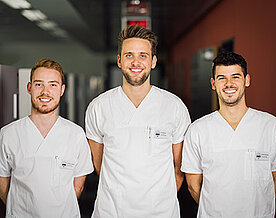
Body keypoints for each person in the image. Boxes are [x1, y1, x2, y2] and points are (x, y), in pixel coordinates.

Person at [85, 25, 191, 217]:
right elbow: (99, 163)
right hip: (111, 210)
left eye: (143, 55)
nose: (136, 62)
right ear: (119, 60)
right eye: (129, 55)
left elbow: (179, 168)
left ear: (153, 61)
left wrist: (158, 198)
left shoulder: (174, 107)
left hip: (160, 212)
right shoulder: (99, 107)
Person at [181, 50, 276, 218]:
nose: (229, 84)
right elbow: (193, 186)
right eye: (222, 78)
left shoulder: (272, 127)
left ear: (246, 80)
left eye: (235, 77)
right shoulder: (197, 130)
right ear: (213, 84)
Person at [0, 58, 94, 217]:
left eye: (53, 85)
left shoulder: (76, 135)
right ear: (29, 88)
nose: (45, 92)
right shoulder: (8, 134)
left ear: (62, 89)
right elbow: (3, 185)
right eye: (39, 84)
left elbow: (77, 187)